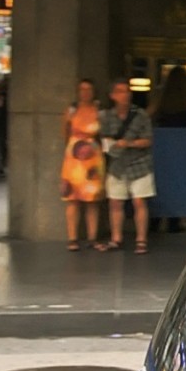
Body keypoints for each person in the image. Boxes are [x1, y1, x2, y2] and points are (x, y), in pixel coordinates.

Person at [98, 78, 154, 254]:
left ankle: (141, 240)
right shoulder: (106, 116)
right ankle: (116, 239)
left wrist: (128, 143)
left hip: (139, 165)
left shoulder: (140, 115)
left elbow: (148, 140)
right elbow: (103, 139)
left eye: (127, 91)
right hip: (117, 165)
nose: (126, 95)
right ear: (113, 95)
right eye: (121, 91)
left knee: (139, 201)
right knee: (115, 202)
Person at [61, 78, 104, 250]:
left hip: (93, 157)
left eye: (89, 89)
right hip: (74, 157)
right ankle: (72, 238)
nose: (85, 93)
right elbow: (64, 131)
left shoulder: (98, 111)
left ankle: (92, 237)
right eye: (82, 89)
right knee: (72, 198)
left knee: (92, 199)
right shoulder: (71, 110)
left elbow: (103, 132)